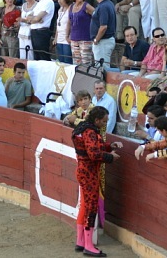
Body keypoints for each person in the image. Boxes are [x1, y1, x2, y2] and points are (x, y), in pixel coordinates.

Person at [71, 105, 122, 257]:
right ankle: (88, 245)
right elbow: (93, 154)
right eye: (104, 121)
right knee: (91, 208)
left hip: (83, 171)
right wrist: (110, 157)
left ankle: (81, 241)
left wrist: (109, 146)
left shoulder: (83, 127)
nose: (105, 124)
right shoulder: (90, 131)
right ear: (97, 120)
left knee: (84, 206)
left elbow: (93, 147)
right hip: (89, 174)